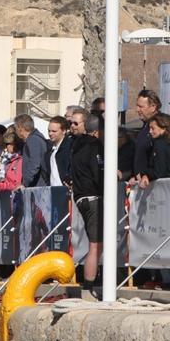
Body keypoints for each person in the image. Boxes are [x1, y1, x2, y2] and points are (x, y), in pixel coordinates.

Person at [71, 113, 105, 298]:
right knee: (95, 245)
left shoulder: (75, 145)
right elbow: (97, 170)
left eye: (76, 123)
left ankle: (90, 285)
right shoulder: (93, 145)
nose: (73, 126)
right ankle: (88, 288)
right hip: (92, 197)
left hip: (81, 197)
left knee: (96, 244)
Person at [15, 114, 49, 188]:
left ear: (20, 128)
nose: (16, 131)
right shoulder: (34, 139)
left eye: (16, 128)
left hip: (38, 186)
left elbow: (34, 164)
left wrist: (25, 183)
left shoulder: (33, 140)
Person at [43, 116, 73, 189]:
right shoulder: (50, 150)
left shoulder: (69, 147)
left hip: (66, 191)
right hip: (53, 191)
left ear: (64, 131)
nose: (50, 134)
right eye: (49, 131)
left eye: (54, 131)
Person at [148, 113, 170, 180]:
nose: (150, 131)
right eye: (149, 128)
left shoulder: (160, 144)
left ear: (163, 128)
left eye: (153, 128)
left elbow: (159, 173)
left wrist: (145, 173)